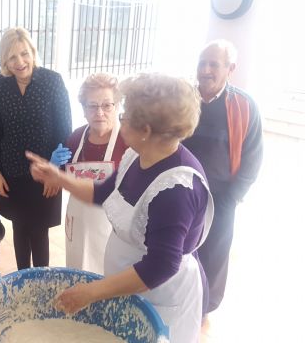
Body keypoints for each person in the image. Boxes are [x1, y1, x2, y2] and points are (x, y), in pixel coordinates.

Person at [28, 73, 214, 342]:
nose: (119, 119)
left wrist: (90, 292)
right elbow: (102, 192)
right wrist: (59, 178)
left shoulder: (176, 189)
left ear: (146, 130)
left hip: (160, 294)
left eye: (124, 114)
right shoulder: (136, 155)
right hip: (125, 281)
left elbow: (160, 266)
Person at [184, 40, 263, 316]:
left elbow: (253, 157)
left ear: (230, 68)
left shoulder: (243, 105)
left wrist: (233, 197)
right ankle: (180, 299)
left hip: (221, 197)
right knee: (180, 248)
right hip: (181, 191)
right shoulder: (184, 98)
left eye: (213, 64)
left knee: (213, 255)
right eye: (202, 63)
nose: (205, 70)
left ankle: (204, 307)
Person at [0, 27, 72, 269]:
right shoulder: (0, 87)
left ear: (33, 52)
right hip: (12, 173)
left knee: (39, 232)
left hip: (45, 173)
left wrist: (56, 173)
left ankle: (41, 284)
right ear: (5, 59)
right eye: (12, 57)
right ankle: (22, 279)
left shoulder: (52, 81)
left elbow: (65, 132)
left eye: (24, 53)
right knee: (19, 228)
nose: (20, 62)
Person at [52, 72, 129, 274]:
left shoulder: (128, 140)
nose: (99, 112)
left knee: (108, 276)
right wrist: (54, 167)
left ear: (117, 106)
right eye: (92, 106)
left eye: (106, 105)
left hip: (112, 228)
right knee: (77, 271)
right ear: (84, 110)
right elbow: (62, 178)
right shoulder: (77, 138)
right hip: (78, 224)